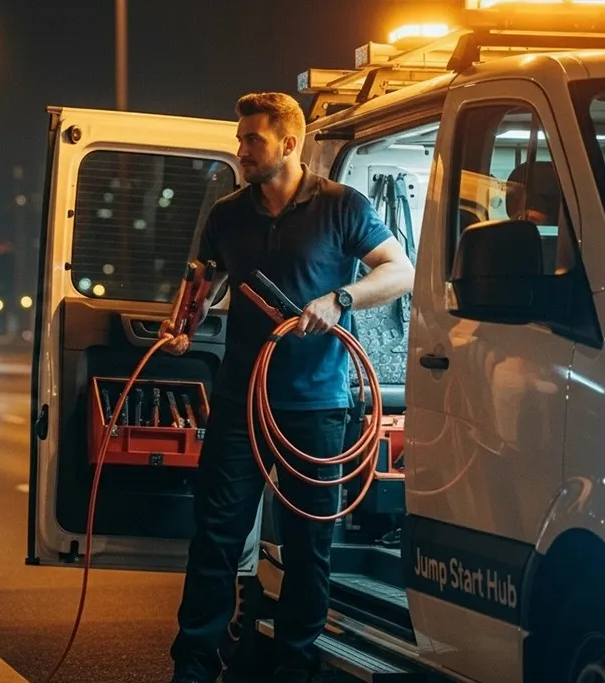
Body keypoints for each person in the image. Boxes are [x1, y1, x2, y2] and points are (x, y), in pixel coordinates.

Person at [162, 93, 415, 683]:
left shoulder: (341, 206)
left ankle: (295, 670)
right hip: (239, 404)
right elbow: (203, 280)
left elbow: (398, 271)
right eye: (241, 137)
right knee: (215, 543)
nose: (241, 149)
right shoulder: (227, 214)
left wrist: (339, 299)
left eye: (252, 139)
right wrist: (182, 324)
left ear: (289, 143)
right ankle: (194, 670)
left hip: (317, 405)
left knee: (308, 550)